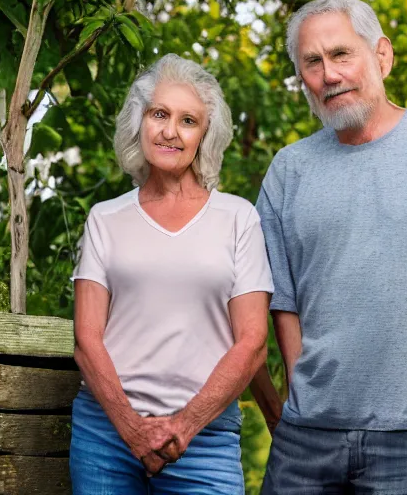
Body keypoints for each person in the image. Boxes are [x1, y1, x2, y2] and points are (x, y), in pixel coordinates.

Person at [254, 0, 407, 494]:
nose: (329, 75)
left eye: (341, 54)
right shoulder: (288, 170)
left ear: (381, 55)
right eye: (312, 63)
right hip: (306, 440)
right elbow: (282, 301)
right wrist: (301, 391)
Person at [69, 53, 274, 494]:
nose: (169, 131)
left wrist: (185, 425)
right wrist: (131, 428)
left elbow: (253, 340)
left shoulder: (239, 218)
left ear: (205, 135)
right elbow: (87, 338)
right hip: (105, 434)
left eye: (187, 121)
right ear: (138, 122)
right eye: (158, 114)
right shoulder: (105, 219)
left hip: (205, 438)